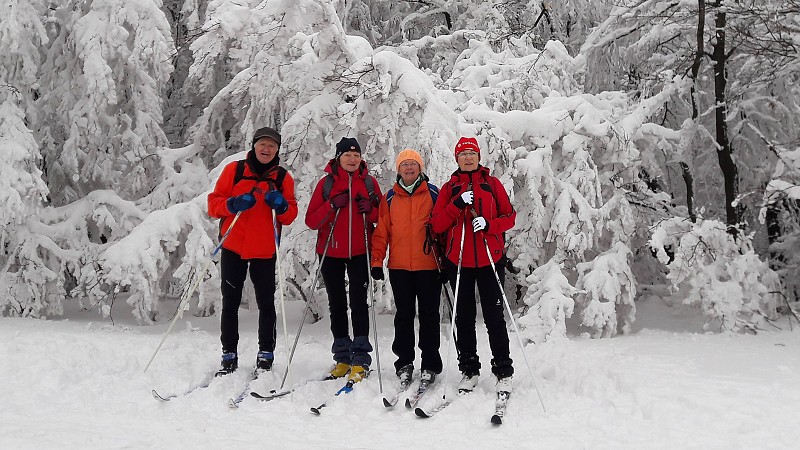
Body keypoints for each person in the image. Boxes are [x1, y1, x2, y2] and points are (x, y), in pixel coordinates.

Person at [207, 126, 298, 376]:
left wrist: (280, 205)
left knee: (266, 304)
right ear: (254, 146)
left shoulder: (282, 178)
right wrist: (232, 204)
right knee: (231, 302)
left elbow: (290, 215)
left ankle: (266, 353)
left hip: (265, 250)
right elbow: (213, 205)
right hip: (234, 246)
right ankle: (229, 354)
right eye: (262, 144)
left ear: (277, 149)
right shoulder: (234, 171)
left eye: (272, 145)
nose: (266, 149)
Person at [430, 137, 516, 395]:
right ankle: (469, 370)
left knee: (494, 317)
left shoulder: (492, 184)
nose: (468, 158)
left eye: (472, 153)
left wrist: (490, 225)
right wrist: (457, 204)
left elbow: (509, 217)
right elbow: (437, 225)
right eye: (463, 154)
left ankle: (503, 370)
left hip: (490, 258)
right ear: (456, 159)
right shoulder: (449, 188)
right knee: (464, 318)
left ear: (478, 157)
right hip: (459, 262)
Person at [305, 137, 382, 383]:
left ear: (361, 159)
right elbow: (311, 221)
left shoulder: (369, 183)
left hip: (360, 251)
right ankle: (342, 357)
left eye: (356, 155)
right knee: (336, 305)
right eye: (347, 155)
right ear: (338, 157)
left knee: (359, 304)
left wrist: (369, 208)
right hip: (330, 252)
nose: (352, 159)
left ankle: (360, 359)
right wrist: (330, 205)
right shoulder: (326, 184)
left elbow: (382, 217)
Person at [370, 149, 442, 390]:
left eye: (413, 164)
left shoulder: (433, 193)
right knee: (404, 317)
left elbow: (443, 230)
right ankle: (404, 363)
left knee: (430, 316)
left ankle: (431, 364)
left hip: (429, 266)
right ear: (398, 170)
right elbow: (381, 232)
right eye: (404, 165)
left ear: (420, 169)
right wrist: (376, 261)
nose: (409, 168)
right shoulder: (389, 198)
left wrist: (447, 262)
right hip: (399, 267)